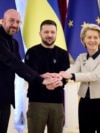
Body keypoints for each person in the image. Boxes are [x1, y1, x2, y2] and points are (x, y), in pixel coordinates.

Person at [0, 9, 59, 133]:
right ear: (3, 21)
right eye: (11, 20)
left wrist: (38, 76)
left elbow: (19, 67)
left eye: (18, 22)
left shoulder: (14, 43)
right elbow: (12, 62)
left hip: (4, 100)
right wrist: (40, 79)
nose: (15, 25)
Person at [25, 19, 70, 133]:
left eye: (52, 32)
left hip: (57, 103)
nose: (49, 35)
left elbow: (66, 76)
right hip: (37, 102)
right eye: (46, 32)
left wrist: (61, 81)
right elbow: (29, 75)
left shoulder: (63, 54)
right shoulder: (32, 52)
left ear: (56, 34)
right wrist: (43, 80)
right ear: (40, 34)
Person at [60, 24, 100, 133]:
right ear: (83, 39)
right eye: (89, 37)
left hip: (99, 101)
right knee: (84, 130)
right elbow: (73, 69)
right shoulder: (81, 57)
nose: (92, 40)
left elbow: (94, 76)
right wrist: (61, 75)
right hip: (84, 101)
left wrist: (72, 76)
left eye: (96, 37)